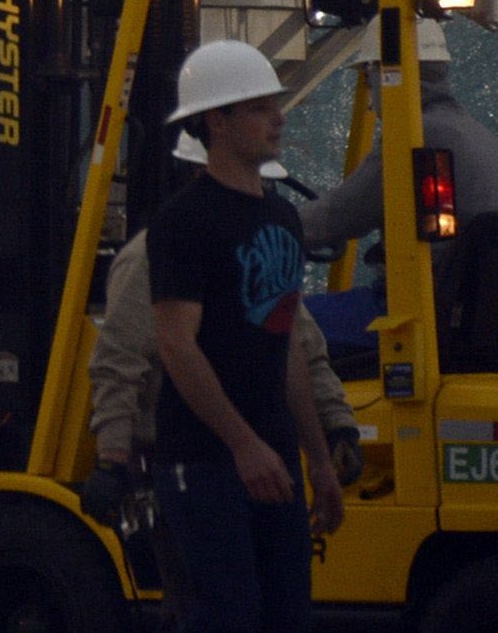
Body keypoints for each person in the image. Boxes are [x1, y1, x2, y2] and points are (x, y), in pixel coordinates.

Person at [146, 41, 343, 633]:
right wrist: (242, 443)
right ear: (216, 120)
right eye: (259, 108)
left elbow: (284, 352)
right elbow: (178, 346)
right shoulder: (184, 221)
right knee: (225, 617)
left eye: (274, 105)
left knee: (287, 617)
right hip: (206, 460)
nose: (278, 119)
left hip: (273, 458)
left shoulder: (281, 219)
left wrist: (317, 460)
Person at [79, 133, 358, 525]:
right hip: (185, 457)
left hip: (258, 454)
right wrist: (113, 459)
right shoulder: (153, 255)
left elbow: (302, 348)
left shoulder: (265, 248)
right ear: (200, 173)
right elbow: (120, 360)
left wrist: (337, 425)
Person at [299, 20, 498, 354]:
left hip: (418, 311)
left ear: (381, 72)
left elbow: (340, 216)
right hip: (476, 313)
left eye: (367, 76)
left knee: (274, 325)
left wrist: (271, 225)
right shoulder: (478, 135)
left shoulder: (415, 137)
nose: (371, 95)